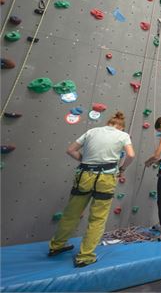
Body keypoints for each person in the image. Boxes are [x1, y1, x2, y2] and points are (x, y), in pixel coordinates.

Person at [48, 111, 135, 267]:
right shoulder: (123, 135)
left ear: (109, 123)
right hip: (106, 178)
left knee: (71, 213)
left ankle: (56, 246)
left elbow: (70, 150)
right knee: (98, 218)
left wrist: (86, 161)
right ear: (121, 126)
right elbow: (131, 155)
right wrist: (122, 169)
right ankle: (85, 256)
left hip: (84, 175)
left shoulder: (91, 131)